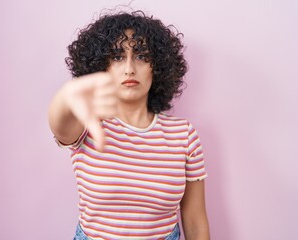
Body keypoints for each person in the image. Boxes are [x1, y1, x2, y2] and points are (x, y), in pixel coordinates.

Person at [48, 10, 210, 240]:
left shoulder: (184, 134)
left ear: (159, 66)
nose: (129, 68)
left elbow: (194, 218)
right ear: (100, 66)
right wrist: (65, 96)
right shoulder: (87, 124)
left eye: (142, 56)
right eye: (117, 57)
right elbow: (59, 122)